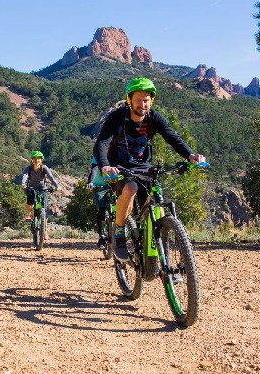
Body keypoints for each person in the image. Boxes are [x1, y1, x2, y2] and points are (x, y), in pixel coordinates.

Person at [94, 77, 206, 262]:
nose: (142, 104)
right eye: (138, 99)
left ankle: (162, 259)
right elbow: (101, 142)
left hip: (143, 167)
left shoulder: (154, 117)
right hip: (118, 166)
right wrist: (105, 166)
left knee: (158, 209)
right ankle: (120, 232)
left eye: (146, 99)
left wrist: (190, 156)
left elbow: (173, 137)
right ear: (129, 99)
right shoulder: (118, 117)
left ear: (151, 101)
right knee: (130, 189)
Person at [21, 150, 60, 221]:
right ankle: (29, 214)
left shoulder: (44, 168)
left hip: (42, 188)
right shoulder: (29, 168)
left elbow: (51, 177)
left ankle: (42, 224)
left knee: (42, 204)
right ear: (32, 160)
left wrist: (57, 185)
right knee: (30, 199)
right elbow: (25, 175)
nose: (36, 160)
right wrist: (23, 183)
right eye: (34, 159)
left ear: (41, 159)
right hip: (31, 187)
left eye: (38, 158)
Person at [87, 156, 110, 249]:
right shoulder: (99, 153)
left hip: (114, 185)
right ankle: (102, 237)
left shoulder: (118, 151)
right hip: (99, 186)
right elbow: (95, 168)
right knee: (102, 209)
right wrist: (91, 181)